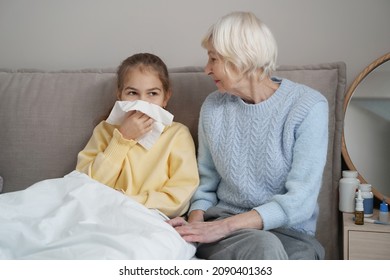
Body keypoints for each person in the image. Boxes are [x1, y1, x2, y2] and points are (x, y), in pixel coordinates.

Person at [168, 12, 328, 260]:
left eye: (213, 59)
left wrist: (224, 227)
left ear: (240, 58)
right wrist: (195, 225)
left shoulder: (308, 107)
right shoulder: (213, 107)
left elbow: (300, 201)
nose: (206, 69)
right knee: (264, 247)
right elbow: (205, 185)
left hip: (291, 234)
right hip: (225, 230)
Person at [76, 53, 199, 218]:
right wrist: (122, 140)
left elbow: (180, 197)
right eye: (133, 93)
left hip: (150, 218)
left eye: (152, 94)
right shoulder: (104, 130)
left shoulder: (177, 135)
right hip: (100, 213)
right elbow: (85, 184)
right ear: (120, 95)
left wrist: (129, 202)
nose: (142, 104)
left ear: (165, 97)